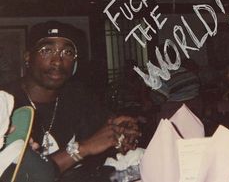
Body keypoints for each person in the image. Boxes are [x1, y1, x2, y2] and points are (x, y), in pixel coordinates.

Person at [1, 21, 140, 182]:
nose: (58, 61)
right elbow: (20, 176)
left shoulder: (79, 96)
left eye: (67, 52)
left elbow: (105, 138)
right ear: (28, 57)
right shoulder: (5, 103)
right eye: (47, 50)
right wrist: (81, 149)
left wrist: (121, 135)